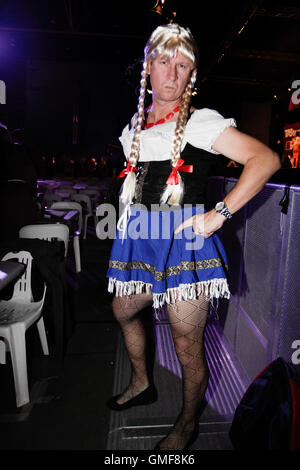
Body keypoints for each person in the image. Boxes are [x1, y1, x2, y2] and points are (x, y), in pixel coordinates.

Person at [105, 23, 281, 450]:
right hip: (141, 238)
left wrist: (219, 214)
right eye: (164, 62)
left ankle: (187, 422)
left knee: (187, 346)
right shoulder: (134, 125)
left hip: (186, 243)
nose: (172, 73)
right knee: (124, 311)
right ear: (148, 67)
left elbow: (265, 160)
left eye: (182, 66)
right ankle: (143, 380)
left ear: (191, 76)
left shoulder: (201, 123)